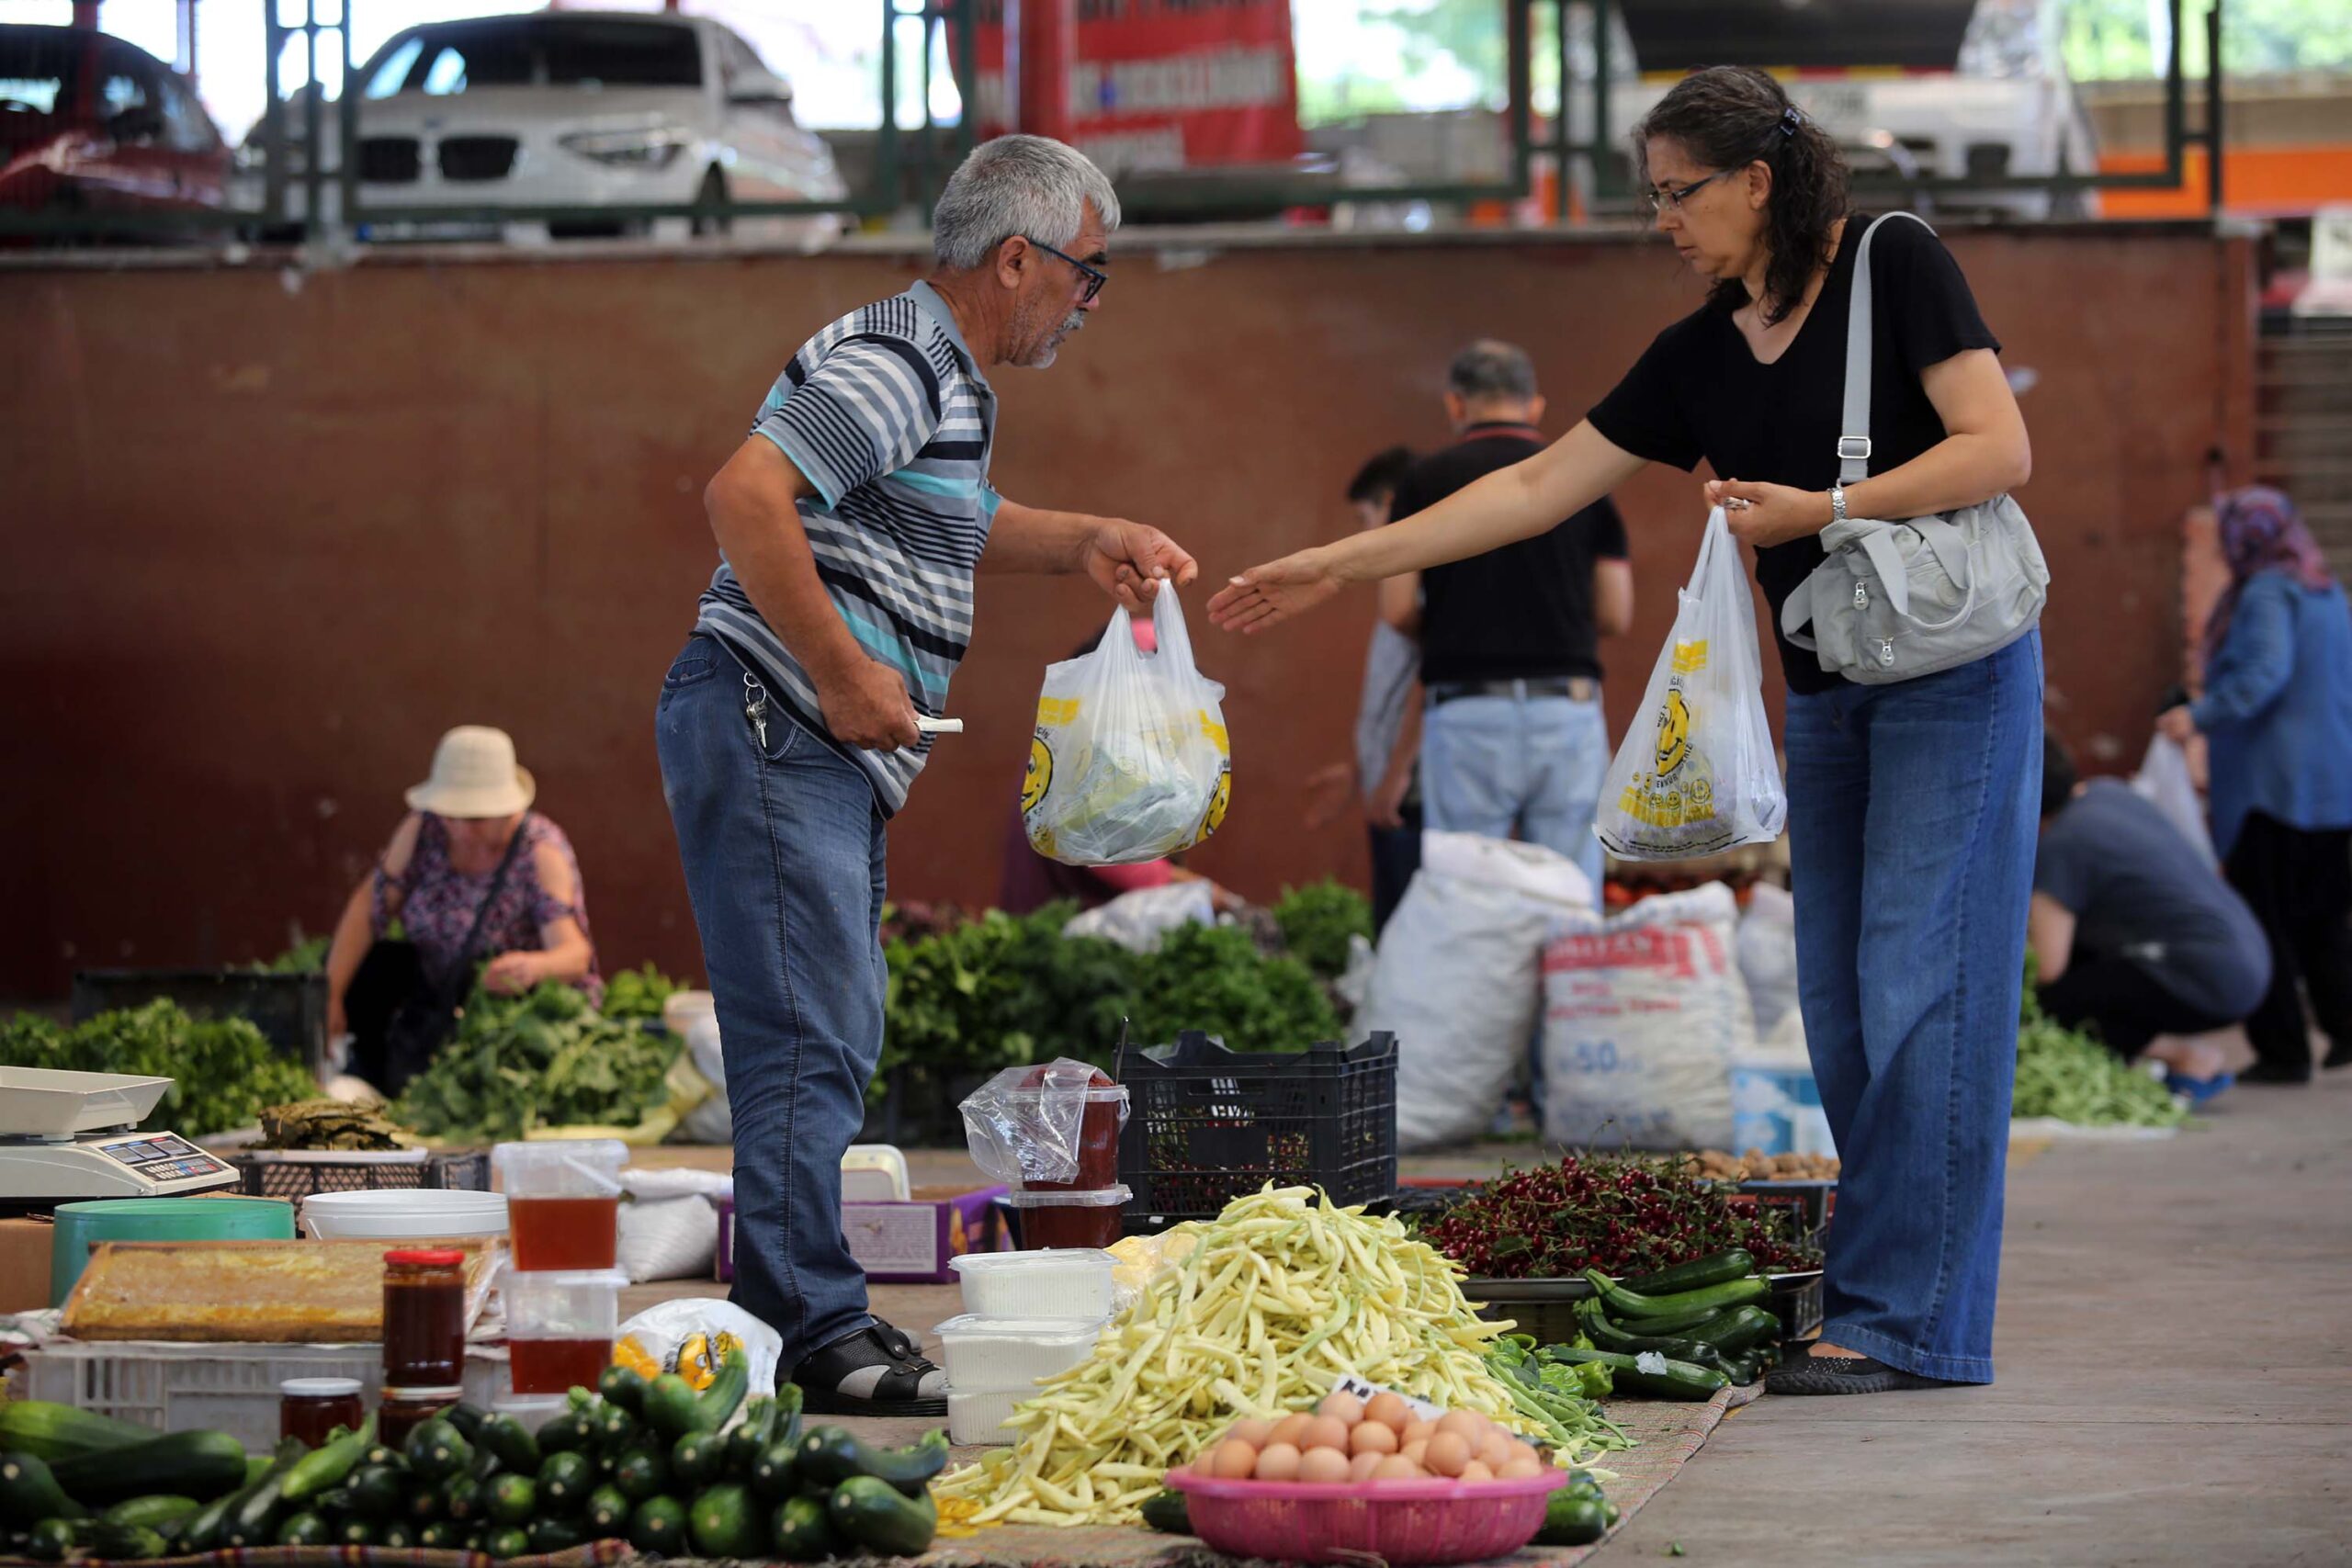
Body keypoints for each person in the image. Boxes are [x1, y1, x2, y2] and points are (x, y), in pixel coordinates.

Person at [1211, 67, 2039, 1396]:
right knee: (1839, 1005)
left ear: (1756, 182)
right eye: (1652, 195)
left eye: (1678, 192)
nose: (1660, 218)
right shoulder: (1699, 352)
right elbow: (1537, 484)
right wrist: (1339, 563)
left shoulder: (1898, 262)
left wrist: (1823, 508)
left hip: (1956, 675)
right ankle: (1883, 1292)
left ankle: (1909, 1318)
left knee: (1921, 991)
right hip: (1827, 695)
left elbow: (1998, 449)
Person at [657, 135, 1197, 1416]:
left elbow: (947, 520)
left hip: (804, 737)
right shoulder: (906, 358)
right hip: (779, 716)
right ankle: (813, 1322)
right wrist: (844, 671)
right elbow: (746, 494)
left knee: (828, 1024)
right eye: (1088, 274)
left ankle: (799, 1315)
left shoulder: (932, 369)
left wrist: (1089, 538)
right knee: (810, 1029)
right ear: (1019, 258)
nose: (1087, 301)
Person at [1383, 342, 1632, 892]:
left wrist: (1456, 630)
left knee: (1466, 892)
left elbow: (1398, 607)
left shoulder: (1423, 482)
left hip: (1467, 709)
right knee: (1570, 889)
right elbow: (1616, 611)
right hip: (1566, 710)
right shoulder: (1584, 480)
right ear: (1534, 407)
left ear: (1455, 405)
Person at [2158, 486, 2352, 1083]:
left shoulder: (2268, 591)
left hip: (2274, 785)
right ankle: (2345, 1027)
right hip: (2329, 784)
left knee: (2260, 919)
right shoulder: (2324, 587)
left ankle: (2283, 1050)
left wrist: (2201, 715)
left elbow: (2265, 671)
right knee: (2320, 917)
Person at [323, 726, 600, 1093]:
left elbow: (575, 956)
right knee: (375, 968)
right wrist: (331, 992)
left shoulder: (540, 851)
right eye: (449, 814)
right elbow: (368, 907)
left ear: (507, 809)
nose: (457, 829)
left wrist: (532, 968)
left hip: (509, 1011)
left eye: (473, 819)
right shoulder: (423, 830)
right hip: (438, 998)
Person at [2030, 728, 2266, 1097]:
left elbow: (2046, 967)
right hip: (2248, 958)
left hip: (2212, 979)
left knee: (2049, 1002)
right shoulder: (2108, 792)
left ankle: (2184, 1056)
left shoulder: (2062, 846)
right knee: (2088, 963)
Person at [1000, 625, 1237, 916]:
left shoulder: (1085, 745)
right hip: (1067, 930)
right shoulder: (1097, 753)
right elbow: (1108, 849)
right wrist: (1203, 891)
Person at [1305, 446, 1426, 932]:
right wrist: (1360, 768)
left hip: (1412, 793)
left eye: (1364, 518)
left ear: (1393, 504)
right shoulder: (1396, 585)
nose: (1360, 535)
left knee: (1407, 934)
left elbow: (1430, 678)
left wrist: (1396, 771)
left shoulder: (1422, 580)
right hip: (1390, 785)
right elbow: (1391, 695)